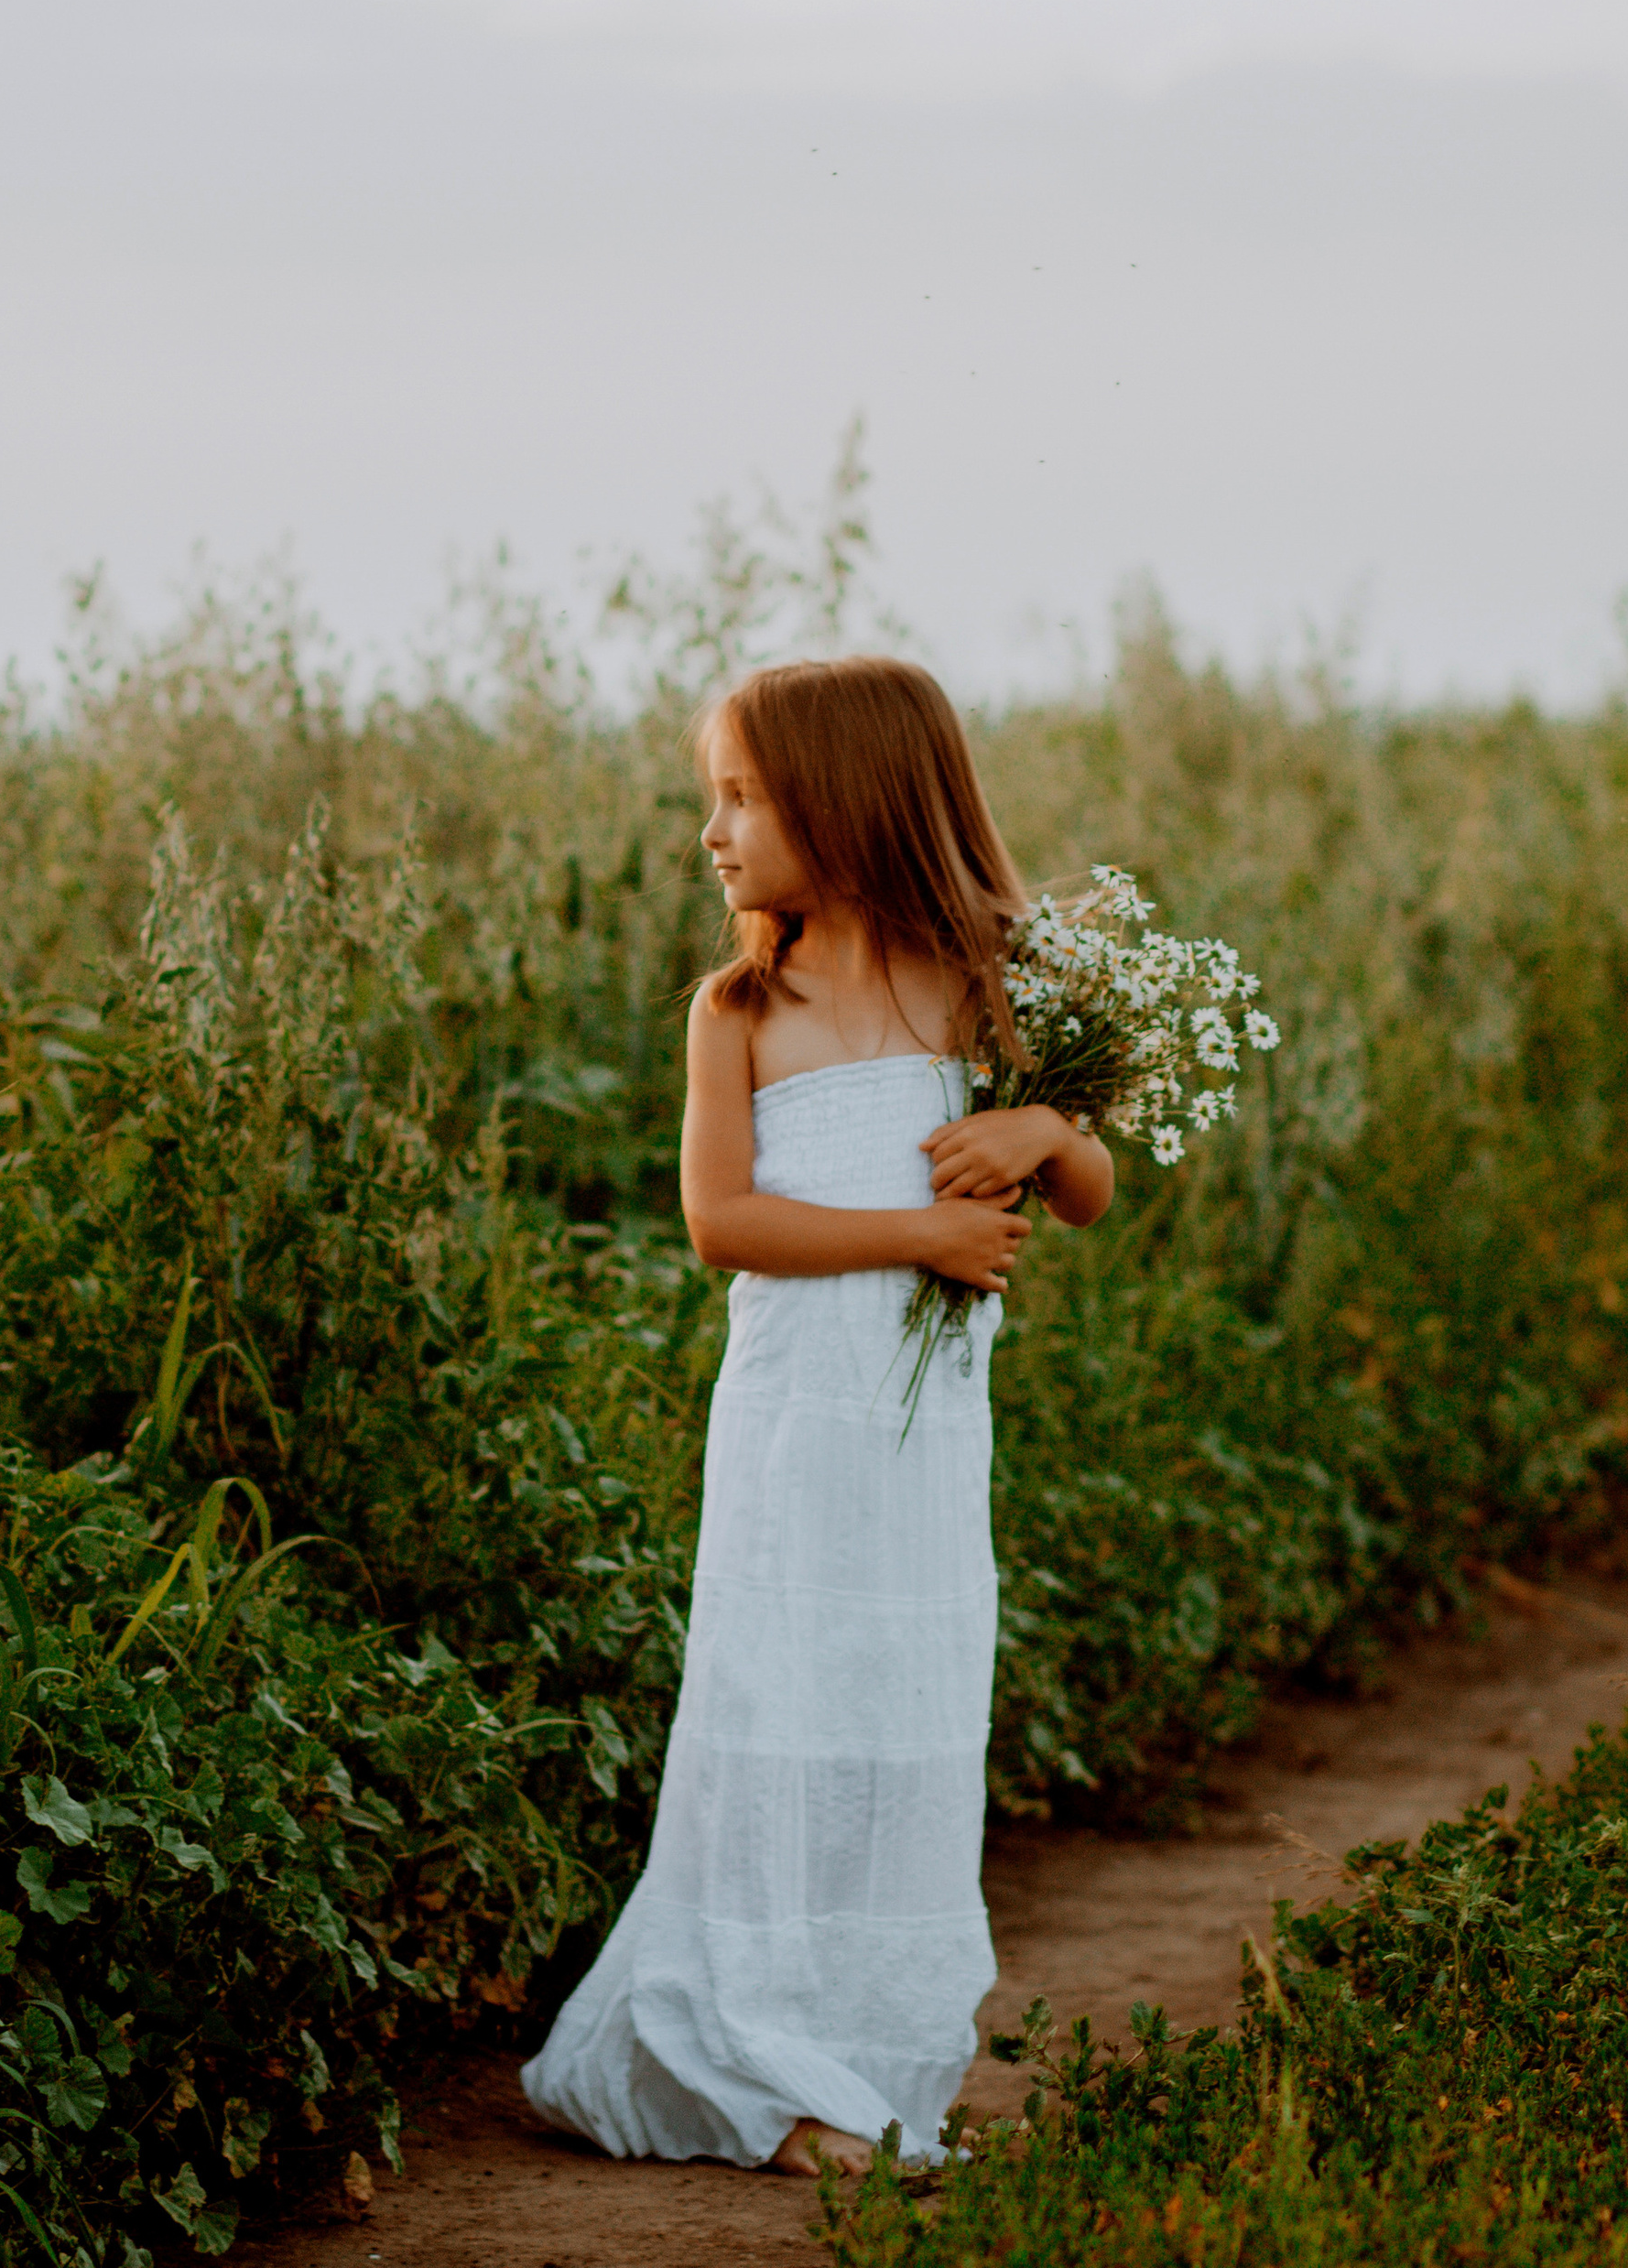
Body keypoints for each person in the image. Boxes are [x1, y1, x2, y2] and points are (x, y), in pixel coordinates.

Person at [522, 653, 1114, 2177]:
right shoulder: (741, 1006)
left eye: (740, 796)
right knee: (782, 1705)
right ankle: (754, 2065)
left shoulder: (988, 981)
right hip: (795, 1428)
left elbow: (1092, 1191)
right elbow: (722, 1222)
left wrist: (1042, 1124)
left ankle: (867, 2047)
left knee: (905, 1704)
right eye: (711, 796)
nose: (711, 832)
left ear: (848, 801)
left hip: (925, 1449)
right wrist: (921, 1235)